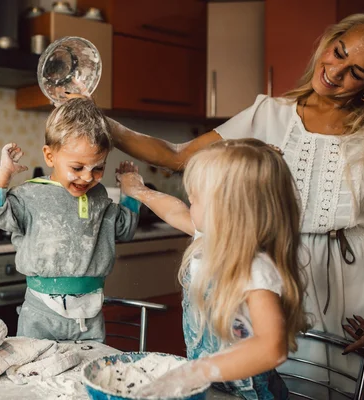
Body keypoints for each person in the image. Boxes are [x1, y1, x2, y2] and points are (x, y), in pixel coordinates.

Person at [108, 12, 364, 396]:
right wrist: (108, 129)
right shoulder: (268, 114)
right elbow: (178, 158)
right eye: (338, 52)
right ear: (328, 41)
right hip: (286, 267)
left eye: (356, 72)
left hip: (356, 289)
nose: (336, 70)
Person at [116, 139, 308, 399]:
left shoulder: (254, 268)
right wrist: (138, 191)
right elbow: (174, 211)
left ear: (227, 209)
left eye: (195, 198)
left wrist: (197, 372)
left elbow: (272, 347)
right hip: (215, 389)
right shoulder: (208, 238)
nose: (189, 202)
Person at [0, 97, 141, 342]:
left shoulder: (98, 197)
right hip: (41, 313)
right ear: (50, 156)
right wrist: (5, 172)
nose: (87, 178)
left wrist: (131, 191)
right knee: (35, 375)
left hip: (90, 315)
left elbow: (125, 229)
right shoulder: (30, 195)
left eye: (98, 168)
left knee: (85, 375)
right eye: (77, 168)